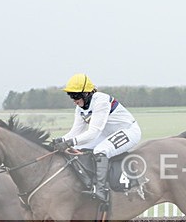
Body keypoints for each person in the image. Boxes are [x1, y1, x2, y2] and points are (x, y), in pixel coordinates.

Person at [52, 73, 142, 203]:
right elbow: (75, 132)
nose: (74, 100)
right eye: (71, 96)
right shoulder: (80, 109)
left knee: (101, 150)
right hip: (107, 134)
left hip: (128, 131)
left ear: (86, 94)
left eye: (76, 96)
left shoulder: (101, 101)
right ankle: (88, 182)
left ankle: (101, 190)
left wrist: (69, 142)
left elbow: (93, 132)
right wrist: (62, 140)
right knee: (77, 147)